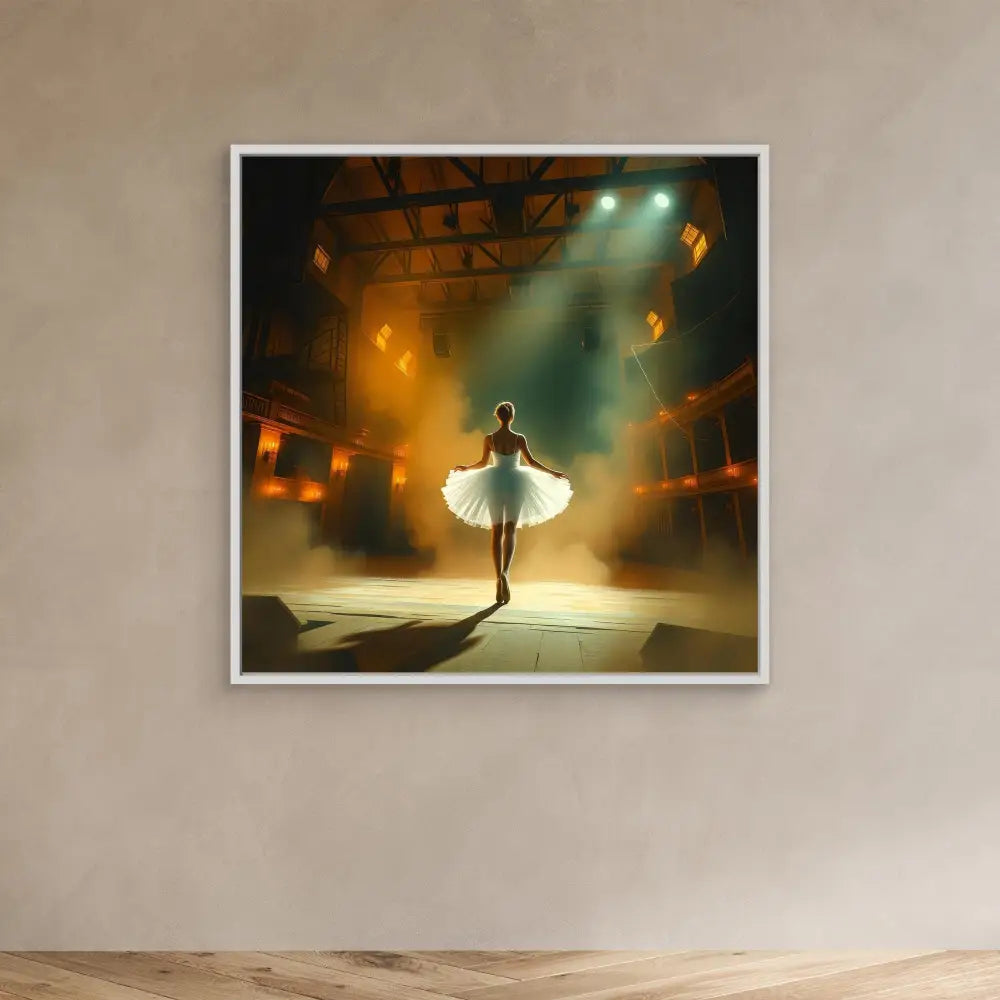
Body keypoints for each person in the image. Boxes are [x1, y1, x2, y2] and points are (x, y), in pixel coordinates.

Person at [441, 401, 572, 604]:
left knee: (496, 531)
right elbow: (531, 462)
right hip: (515, 482)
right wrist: (552, 472)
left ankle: (497, 578)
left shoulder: (490, 438)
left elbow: (483, 463)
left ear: (498, 416)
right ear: (511, 417)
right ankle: (506, 572)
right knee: (510, 530)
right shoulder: (519, 438)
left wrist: (465, 468)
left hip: (493, 482)